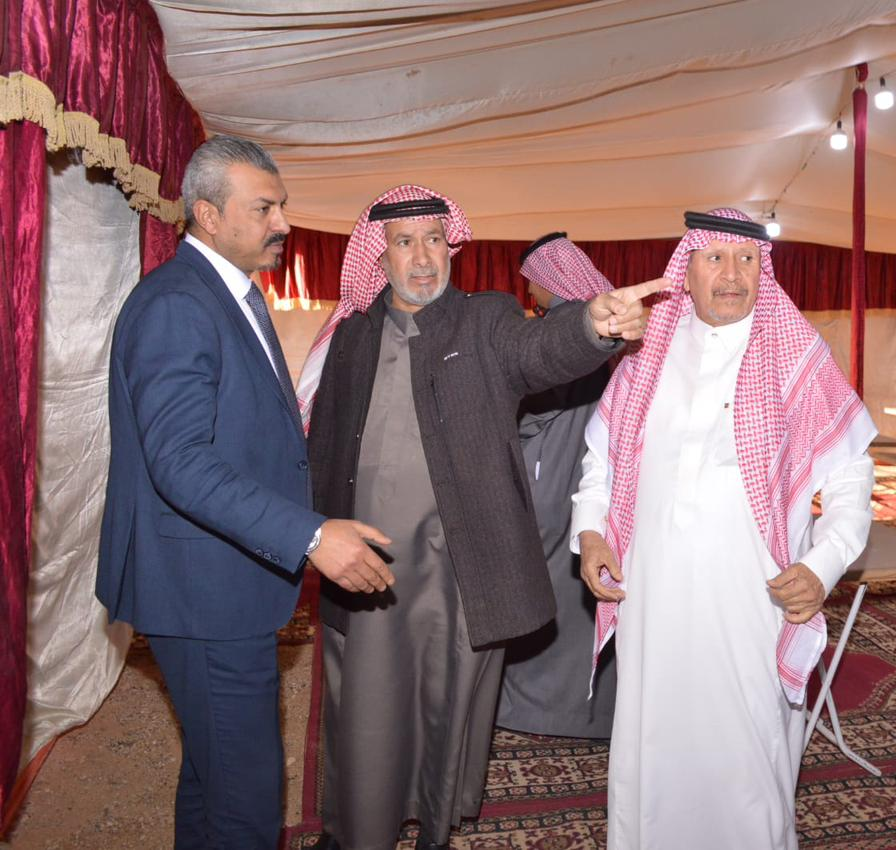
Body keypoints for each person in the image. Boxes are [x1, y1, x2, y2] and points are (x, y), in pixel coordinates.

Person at [301, 186, 662, 850]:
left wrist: (592, 326)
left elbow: (540, 351)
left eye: (434, 240)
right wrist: (313, 534)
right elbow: (325, 442)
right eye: (405, 243)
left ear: (452, 247)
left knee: (449, 702)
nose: (422, 258)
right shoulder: (352, 336)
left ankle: (434, 828)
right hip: (369, 560)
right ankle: (357, 827)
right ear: (378, 257)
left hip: (460, 563)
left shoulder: (485, 320)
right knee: (367, 705)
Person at [96, 135, 394, 850]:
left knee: (216, 776)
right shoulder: (178, 304)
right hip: (203, 591)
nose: (283, 223)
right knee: (248, 804)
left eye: (281, 206)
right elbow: (180, 463)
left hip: (218, 580)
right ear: (208, 213)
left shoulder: (225, 293)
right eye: (264, 208)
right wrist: (311, 535)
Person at [572, 208, 878, 850]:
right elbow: (603, 456)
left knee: (746, 757)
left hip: (751, 600)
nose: (732, 274)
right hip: (652, 597)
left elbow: (852, 476)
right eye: (715, 258)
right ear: (686, 270)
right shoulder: (648, 351)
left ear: (764, 270)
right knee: (652, 746)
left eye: (747, 259)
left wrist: (822, 566)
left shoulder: (796, 353)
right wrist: (591, 531)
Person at [497, 234, 619, 739]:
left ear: (550, 279)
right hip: (596, 479)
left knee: (543, 587)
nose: (530, 292)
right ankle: (593, 708)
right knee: (585, 589)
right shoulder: (606, 324)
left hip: (553, 478)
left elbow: (533, 408)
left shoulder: (564, 329)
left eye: (532, 282)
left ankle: (536, 708)